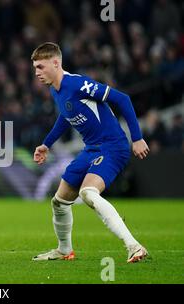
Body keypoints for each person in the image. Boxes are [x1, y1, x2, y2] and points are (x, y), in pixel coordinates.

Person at [30, 42, 150, 263]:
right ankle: (64, 250)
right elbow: (65, 116)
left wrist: (137, 137)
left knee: (88, 193)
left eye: (40, 67)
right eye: (35, 67)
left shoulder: (77, 84)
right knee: (59, 201)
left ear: (56, 63)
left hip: (112, 146)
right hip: (91, 149)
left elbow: (122, 98)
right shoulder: (55, 90)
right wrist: (46, 144)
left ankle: (134, 246)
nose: (37, 72)